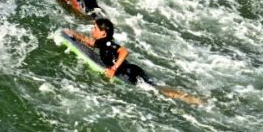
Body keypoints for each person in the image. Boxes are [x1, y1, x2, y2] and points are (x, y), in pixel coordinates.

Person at [64, 18, 203, 105]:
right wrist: (74, 35)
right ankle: (189, 98)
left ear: (103, 34)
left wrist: (113, 69)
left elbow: (124, 51)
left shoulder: (107, 44)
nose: (92, 30)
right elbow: (90, 42)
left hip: (130, 72)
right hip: (129, 70)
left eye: (95, 28)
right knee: (155, 87)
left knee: (157, 90)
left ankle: (189, 99)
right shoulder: (102, 42)